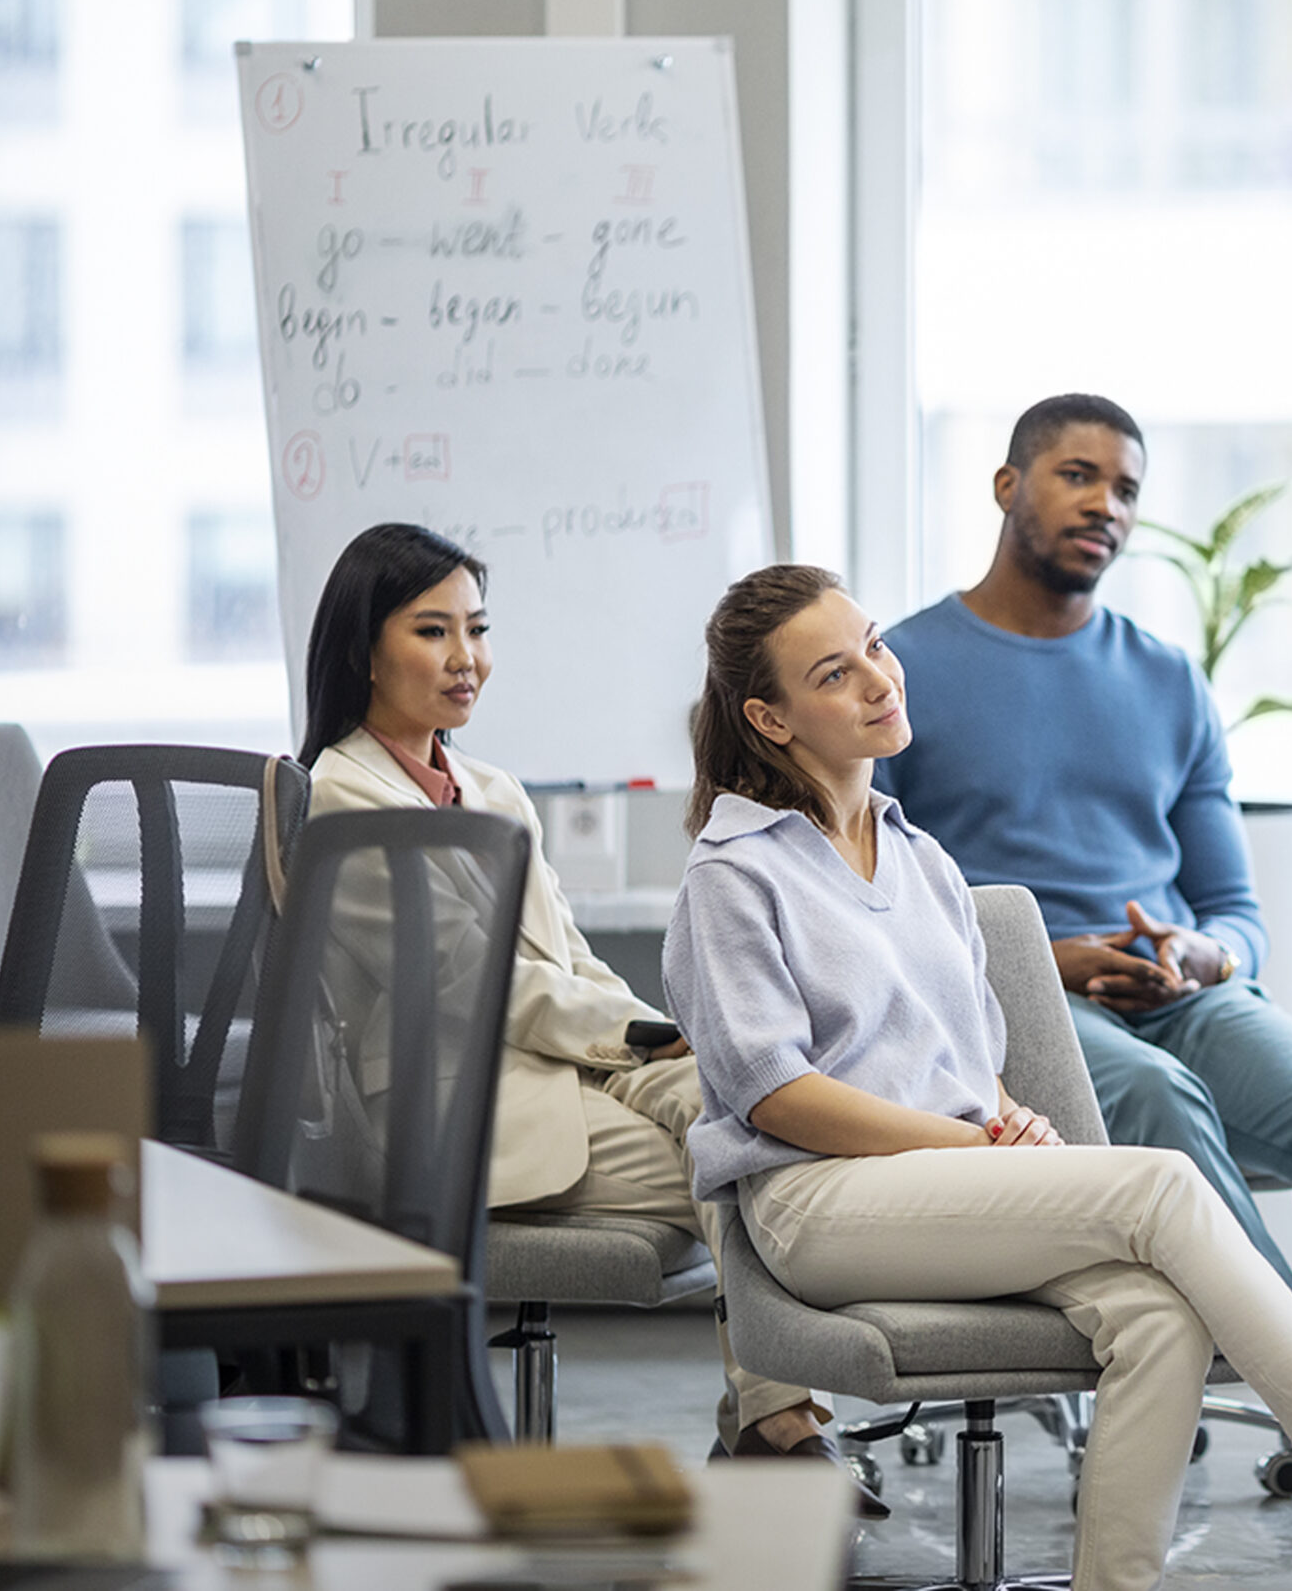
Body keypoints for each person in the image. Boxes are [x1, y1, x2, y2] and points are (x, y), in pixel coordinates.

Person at [663, 563, 1292, 1591]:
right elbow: (775, 1096)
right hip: (814, 1205)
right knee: (1161, 1179)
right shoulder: (733, 873)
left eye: (873, 643)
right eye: (834, 673)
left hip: (946, 1186)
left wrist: (1010, 1122)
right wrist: (975, 1143)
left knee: (1159, 1314)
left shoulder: (917, 857)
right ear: (769, 720)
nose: (880, 678)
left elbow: (968, 1053)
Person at [872, 393, 1292, 1577]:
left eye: (1125, 489)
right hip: (1008, 1004)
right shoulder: (903, 668)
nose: (1104, 505)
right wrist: (1045, 957)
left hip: (1171, 984)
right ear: (1005, 486)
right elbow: (875, 903)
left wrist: (1203, 955)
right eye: (1077, 476)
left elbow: (1235, 908)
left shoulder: (1167, 679)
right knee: (1162, 1109)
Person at [295, 522, 865, 1502]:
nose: (467, 658)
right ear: (361, 649)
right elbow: (471, 985)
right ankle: (774, 1420)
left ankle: (774, 1420)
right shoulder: (338, 800)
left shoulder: (492, 787)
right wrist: (640, 1038)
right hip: (449, 1113)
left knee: (750, 1098)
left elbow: (567, 960)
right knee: (726, 1150)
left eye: (476, 628)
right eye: (433, 632)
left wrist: (664, 1034)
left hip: (552, 1065)